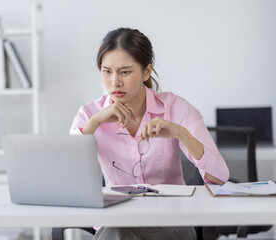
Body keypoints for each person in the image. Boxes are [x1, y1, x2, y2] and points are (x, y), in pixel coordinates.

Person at [70, 28, 229, 240]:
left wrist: (180, 133)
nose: (114, 82)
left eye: (125, 72)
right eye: (107, 71)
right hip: (114, 222)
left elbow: (220, 177)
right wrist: (95, 122)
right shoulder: (90, 114)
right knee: (117, 231)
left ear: (146, 71)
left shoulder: (175, 107)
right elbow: (70, 178)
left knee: (116, 233)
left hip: (172, 224)